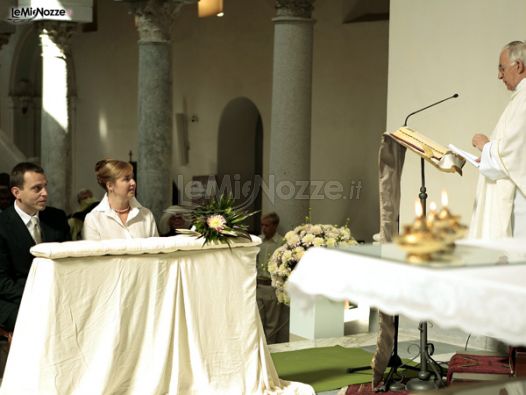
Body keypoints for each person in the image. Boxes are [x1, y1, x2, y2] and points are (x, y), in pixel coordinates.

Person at [0, 162, 70, 331]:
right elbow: (2, 282)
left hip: (57, 293)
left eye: (45, 187)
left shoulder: (57, 218)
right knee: (41, 324)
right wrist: (38, 295)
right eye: (37, 188)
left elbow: (69, 262)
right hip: (14, 299)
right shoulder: (2, 225)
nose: (45, 193)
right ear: (17, 193)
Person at [470, 40, 526, 239]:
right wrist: (487, 157)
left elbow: (514, 153)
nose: (499, 75)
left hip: (520, 202)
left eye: (502, 68)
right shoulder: (519, 99)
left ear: (518, 66)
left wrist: (486, 146)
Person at [83, 159, 158, 240]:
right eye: (126, 179)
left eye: (132, 177)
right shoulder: (93, 219)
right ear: (110, 185)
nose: (133, 182)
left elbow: (156, 249)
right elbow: (93, 252)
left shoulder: (146, 215)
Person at [256, 212, 288, 344]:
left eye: (267, 225)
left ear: (275, 226)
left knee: (272, 324)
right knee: (257, 320)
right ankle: (260, 349)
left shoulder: (282, 243)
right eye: (262, 225)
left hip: (272, 287)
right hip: (258, 286)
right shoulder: (258, 242)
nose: (264, 228)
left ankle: (270, 351)